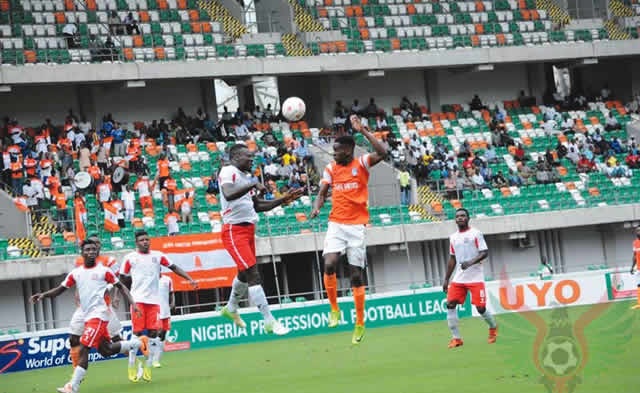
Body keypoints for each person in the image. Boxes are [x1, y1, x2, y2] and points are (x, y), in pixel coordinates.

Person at [310, 114, 388, 345]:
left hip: (356, 227)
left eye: (337, 151)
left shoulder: (361, 163)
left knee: (356, 275)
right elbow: (322, 193)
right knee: (329, 263)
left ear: (349, 150)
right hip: (336, 223)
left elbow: (383, 152)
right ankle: (334, 309)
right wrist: (316, 208)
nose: (334, 154)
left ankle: (360, 323)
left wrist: (362, 130)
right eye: (333, 151)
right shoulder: (331, 169)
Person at [31, 239, 142, 393]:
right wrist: (43, 295)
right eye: (87, 249)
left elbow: (121, 286)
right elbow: (60, 289)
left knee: (84, 348)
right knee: (106, 350)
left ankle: (72, 386)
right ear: (82, 252)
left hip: (100, 315)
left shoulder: (105, 271)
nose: (91, 252)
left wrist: (133, 303)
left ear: (97, 252)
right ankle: (134, 344)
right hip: (87, 315)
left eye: (93, 250)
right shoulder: (76, 273)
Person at [218, 143, 305, 335]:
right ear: (235, 157)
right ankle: (269, 321)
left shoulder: (245, 178)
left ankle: (231, 308)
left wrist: (283, 199)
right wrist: (252, 183)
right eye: (247, 156)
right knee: (253, 274)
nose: (251, 160)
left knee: (243, 273)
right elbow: (228, 194)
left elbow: (257, 206)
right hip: (234, 230)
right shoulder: (228, 171)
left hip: (248, 229)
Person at [119, 230, 197, 382]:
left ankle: (148, 366)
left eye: (147, 239)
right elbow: (121, 279)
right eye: (142, 240)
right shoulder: (130, 258)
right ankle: (131, 365)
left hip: (154, 301)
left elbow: (174, 267)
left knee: (154, 333)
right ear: (136, 243)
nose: (145, 242)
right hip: (138, 300)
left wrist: (190, 278)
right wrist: (118, 296)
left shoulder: (158, 255)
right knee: (137, 333)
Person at [443, 208, 497, 349]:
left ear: (468, 218)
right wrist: (446, 279)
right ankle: (456, 339)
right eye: (458, 216)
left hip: (476, 278)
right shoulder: (453, 237)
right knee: (450, 304)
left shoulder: (476, 234)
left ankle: (493, 327)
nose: (460, 218)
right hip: (459, 279)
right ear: (455, 220)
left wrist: (470, 262)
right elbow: (452, 259)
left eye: (463, 216)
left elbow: (484, 252)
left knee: (480, 308)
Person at [67, 235, 123, 372]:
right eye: (91, 244)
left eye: (97, 244)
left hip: (103, 307)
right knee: (73, 338)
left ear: (100, 246)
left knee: (114, 340)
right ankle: (76, 371)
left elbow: (117, 280)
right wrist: (77, 294)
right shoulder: (80, 261)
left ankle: (134, 358)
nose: (94, 247)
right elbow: (80, 279)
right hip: (84, 308)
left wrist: (115, 296)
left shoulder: (109, 261)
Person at [153, 273, 175, 368]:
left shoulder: (167, 279)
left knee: (163, 335)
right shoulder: (150, 279)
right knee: (158, 332)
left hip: (166, 310)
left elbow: (171, 293)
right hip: (155, 310)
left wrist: (173, 303)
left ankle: (156, 360)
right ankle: (151, 356)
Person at [630, 227, 640, 310]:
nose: (639, 232)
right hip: (639, 268)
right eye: (637, 231)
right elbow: (634, 256)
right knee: (639, 285)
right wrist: (632, 267)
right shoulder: (635, 243)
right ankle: (639, 303)